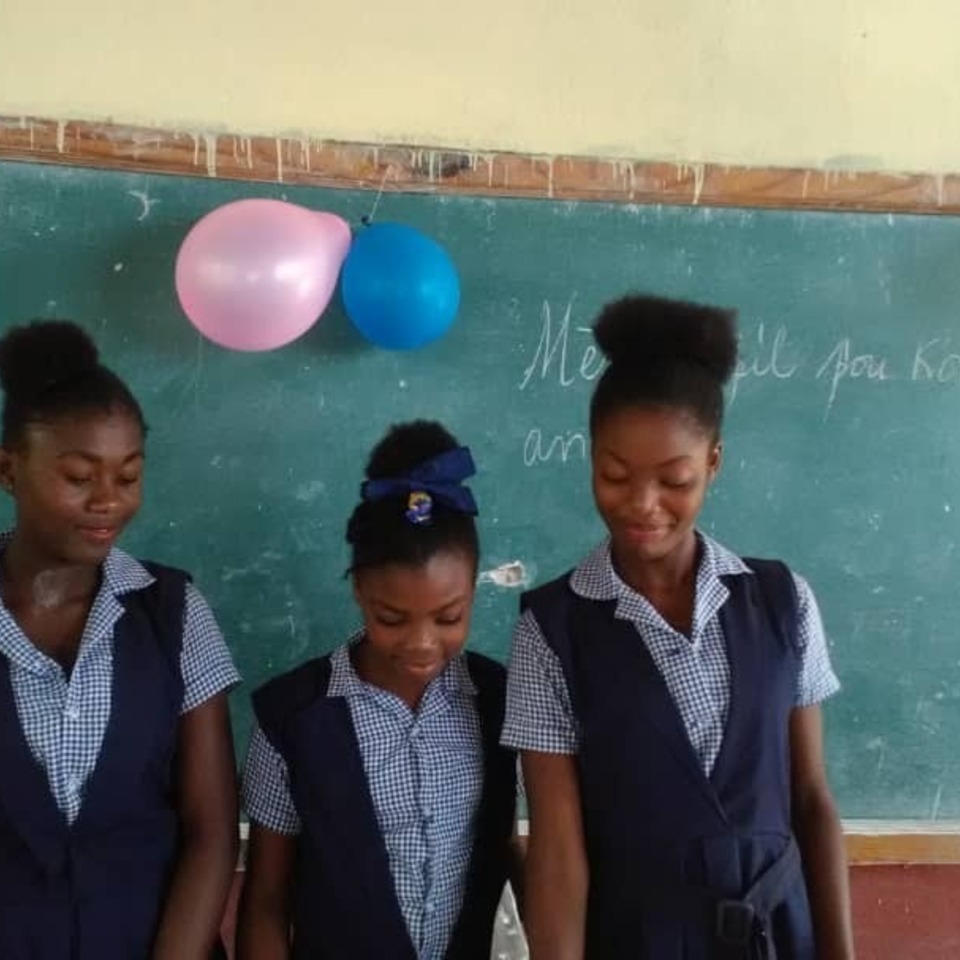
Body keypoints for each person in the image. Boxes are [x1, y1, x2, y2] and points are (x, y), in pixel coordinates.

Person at [502, 295, 855, 959]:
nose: (642, 504)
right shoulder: (552, 631)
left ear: (713, 463)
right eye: (615, 474)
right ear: (591, 457)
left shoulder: (782, 602)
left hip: (777, 935)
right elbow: (557, 844)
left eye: (675, 479)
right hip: (637, 938)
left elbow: (811, 801)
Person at [0, 320, 240, 959]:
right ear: (8, 470)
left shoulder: (173, 612)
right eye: (79, 476)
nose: (108, 500)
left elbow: (212, 830)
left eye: (129, 476)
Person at [238, 420, 520, 960]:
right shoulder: (292, 717)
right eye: (391, 618)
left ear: (474, 589)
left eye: (449, 616)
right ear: (359, 590)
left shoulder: (499, 700)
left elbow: (509, 847)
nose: (421, 644)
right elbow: (267, 898)